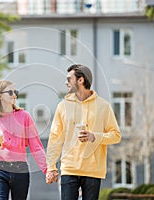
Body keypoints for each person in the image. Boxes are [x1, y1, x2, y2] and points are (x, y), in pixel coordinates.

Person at [45, 64, 121, 200]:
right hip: (69, 168)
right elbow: (55, 138)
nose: (65, 82)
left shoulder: (103, 106)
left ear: (80, 80)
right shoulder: (63, 106)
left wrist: (94, 137)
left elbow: (116, 136)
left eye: (69, 79)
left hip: (93, 170)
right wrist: (51, 167)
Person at [0, 80, 47, 200]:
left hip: (20, 170)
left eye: (15, 92)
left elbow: (36, 146)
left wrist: (47, 169)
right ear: (0, 95)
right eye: (10, 92)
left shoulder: (25, 116)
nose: (14, 95)